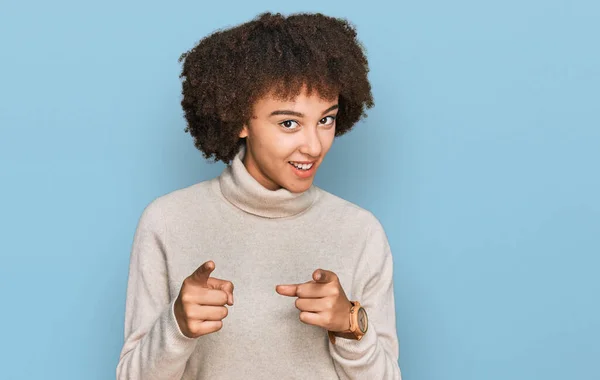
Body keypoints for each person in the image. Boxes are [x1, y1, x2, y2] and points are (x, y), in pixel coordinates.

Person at [116, 11, 402, 380]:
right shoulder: (168, 221)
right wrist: (177, 326)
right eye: (288, 123)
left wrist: (349, 325)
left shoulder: (360, 232)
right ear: (238, 120)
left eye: (326, 119)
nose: (314, 146)